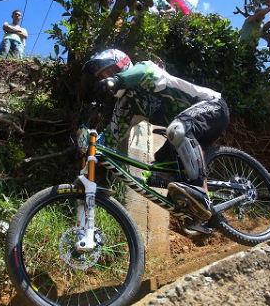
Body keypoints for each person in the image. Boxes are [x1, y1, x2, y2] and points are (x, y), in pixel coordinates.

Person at [84, 49, 230, 217]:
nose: (105, 78)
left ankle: (200, 192)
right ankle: (196, 218)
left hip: (213, 106)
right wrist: (89, 145)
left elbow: (142, 72)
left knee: (177, 128)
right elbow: (110, 138)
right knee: (161, 169)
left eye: (109, 72)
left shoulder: (145, 70)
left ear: (122, 64)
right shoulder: (124, 106)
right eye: (102, 77)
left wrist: (116, 80)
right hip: (186, 131)